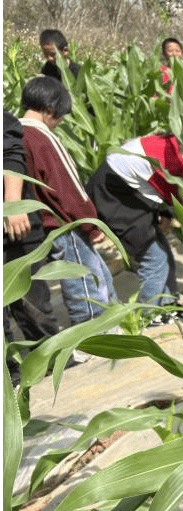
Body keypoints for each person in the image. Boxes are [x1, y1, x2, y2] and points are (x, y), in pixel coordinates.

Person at [19, 76, 117, 326]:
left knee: (96, 274)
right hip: (66, 223)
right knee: (85, 280)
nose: (59, 123)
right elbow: (67, 187)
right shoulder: (43, 138)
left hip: (43, 223)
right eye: (60, 116)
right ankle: (92, 333)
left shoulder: (16, 135)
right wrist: (90, 224)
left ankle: (111, 322)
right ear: (50, 110)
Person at [84, 134, 183, 323]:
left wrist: (166, 214)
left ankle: (169, 306)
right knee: (154, 258)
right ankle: (151, 314)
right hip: (114, 196)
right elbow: (174, 193)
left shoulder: (176, 142)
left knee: (163, 251)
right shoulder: (169, 161)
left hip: (131, 191)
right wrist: (168, 215)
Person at [4, 111, 59, 384]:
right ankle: (10, 382)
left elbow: (11, 154)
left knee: (33, 307)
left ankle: (55, 366)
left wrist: (13, 205)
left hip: (15, 229)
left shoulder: (5, 120)